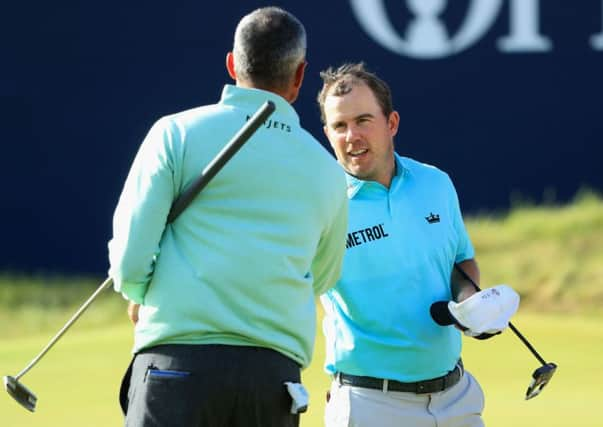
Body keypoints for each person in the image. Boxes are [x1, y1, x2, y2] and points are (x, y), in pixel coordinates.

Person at [107, 7, 348, 427]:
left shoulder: (175, 132)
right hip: (272, 383)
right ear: (299, 76)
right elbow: (323, 276)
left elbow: (129, 261)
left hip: (174, 369)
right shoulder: (327, 168)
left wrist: (140, 292)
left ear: (233, 64)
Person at [316, 63, 518, 427]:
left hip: (456, 398)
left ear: (391, 123)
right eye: (340, 126)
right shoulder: (318, 204)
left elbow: (461, 261)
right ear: (327, 133)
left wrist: (468, 302)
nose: (351, 136)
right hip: (369, 403)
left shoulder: (435, 183)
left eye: (363, 120)